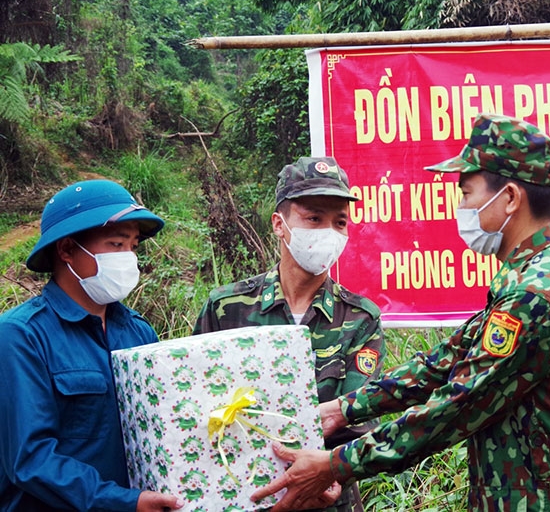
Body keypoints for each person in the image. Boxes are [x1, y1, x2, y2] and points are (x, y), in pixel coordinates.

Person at [251, 113, 550, 511]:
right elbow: (445, 362)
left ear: (508, 198)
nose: (462, 207)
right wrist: (345, 408)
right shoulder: (528, 280)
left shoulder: (539, 294)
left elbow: (457, 406)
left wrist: (336, 464)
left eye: (467, 193)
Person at [192, 156, 385, 512]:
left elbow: (357, 420)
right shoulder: (227, 307)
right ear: (279, 225)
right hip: (241, 496)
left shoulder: (359, 317)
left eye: (339, 222)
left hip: (327, 500)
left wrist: (329, 477)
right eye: (314, 218)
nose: (328, 231)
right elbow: (196, 404)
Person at [0, 180, 183, 511]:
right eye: (115, 244)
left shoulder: (138, 333)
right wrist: (125, 503)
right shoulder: (21, 336)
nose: (128, 259)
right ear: (67, 250)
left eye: (133, 246)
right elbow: (30, 458)